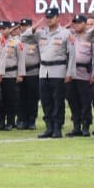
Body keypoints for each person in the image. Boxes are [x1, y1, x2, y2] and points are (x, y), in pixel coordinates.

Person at [20, 7, 76, 139]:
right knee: (46, 101)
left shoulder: (65, 33)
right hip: (43, 71)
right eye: (47, 17)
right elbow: (23, 38)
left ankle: (57, 128)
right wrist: (33, 28)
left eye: (51, 17)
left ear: (58, 18)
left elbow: (72, 55)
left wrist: (70, 73)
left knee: (58, 101)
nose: (49, 20)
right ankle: (49, 127)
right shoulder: (41, 33)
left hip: (58, 70)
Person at [67, 14, 94, 137]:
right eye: (75, 23)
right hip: (71, 73)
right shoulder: (71, 36)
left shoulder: (91, 37)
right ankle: (76, 126)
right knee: (73, 101)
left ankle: (85, 126)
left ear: (85, 24)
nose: (76, 25)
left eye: (79, 22)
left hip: (85, 73)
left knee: (85, 102)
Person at [0, 20, 24, 131]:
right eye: (0, 29)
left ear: (9, 29)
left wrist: (20, 74)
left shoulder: (16, 42)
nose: (2, 31)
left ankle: (10, 122)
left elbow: (21, 59)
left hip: (11, 74)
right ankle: (1, 122)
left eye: (4, 28)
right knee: (0, 100)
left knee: (11, 100)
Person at [16, 18, 40, 130]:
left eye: (26, 25)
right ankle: (22, 120)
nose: (24, 27)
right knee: (21, 98)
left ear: (31, 27)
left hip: (33, 72)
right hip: (20, 73)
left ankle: (31, 121)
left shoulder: (36, 39)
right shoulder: (18, 40)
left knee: (32, 98)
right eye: (22, 26)